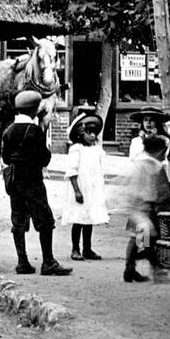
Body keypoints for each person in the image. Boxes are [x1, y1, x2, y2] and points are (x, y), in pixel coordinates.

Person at [1, 89, 72, 276]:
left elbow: (6, 159)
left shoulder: (8, 132)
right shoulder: (35, 131)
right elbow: (45, 159)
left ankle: (22, 262)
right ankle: (48, 262)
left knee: (18, 221)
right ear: (33, 110)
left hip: (15, 182)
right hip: (33, 181)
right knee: (45, 221)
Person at [123, 133, 170, 283]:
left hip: (137, 206)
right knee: (147, 241)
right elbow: (158, 191)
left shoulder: (140, 163)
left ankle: (131, 268)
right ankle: (156, 269)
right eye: (163, 153)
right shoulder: (153, 167)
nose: (164, 157)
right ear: (158, 152)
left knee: (140, 239)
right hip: (145, 207)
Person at [60, 109, 107, 261]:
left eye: (94, 133)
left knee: (89, 219)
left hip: (92, 189)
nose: (92, 136)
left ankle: (87, 248)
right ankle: (75, 249)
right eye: (89, 133)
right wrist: (77, 191)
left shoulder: (96, 150)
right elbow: (72, 172)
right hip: (80, 188)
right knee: (79, 219)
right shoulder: (76, 149)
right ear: (81, 134)